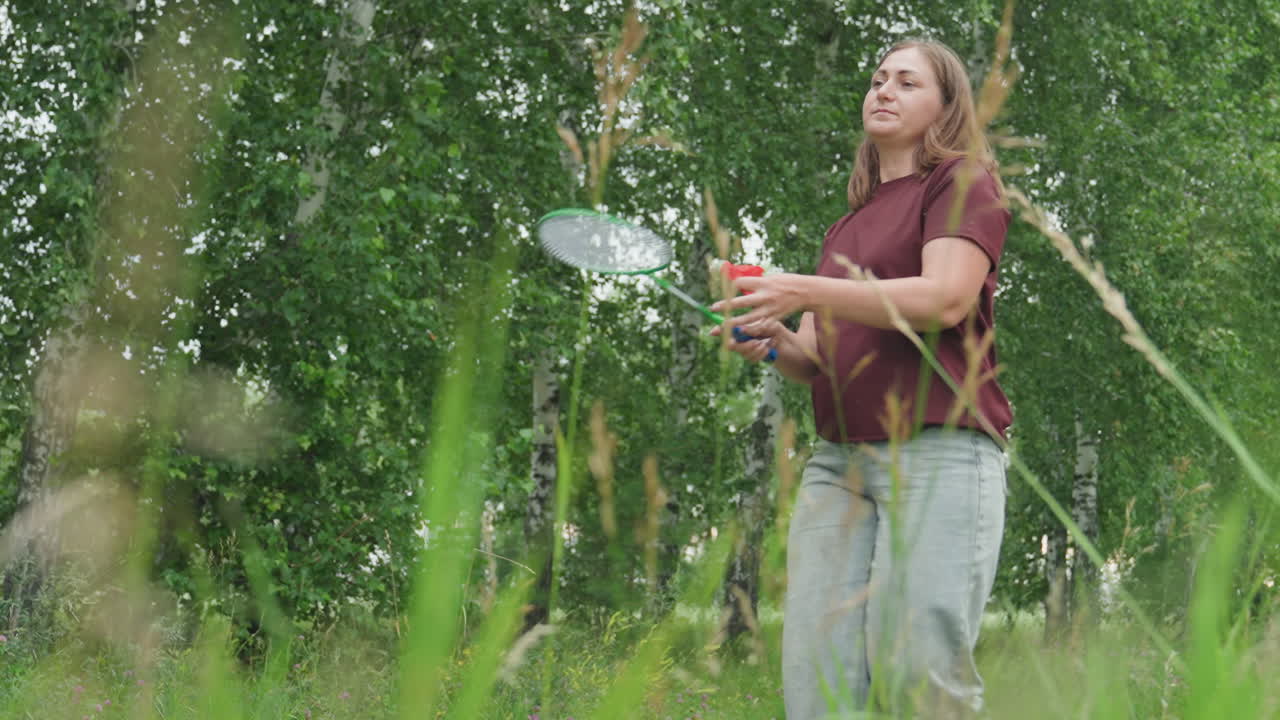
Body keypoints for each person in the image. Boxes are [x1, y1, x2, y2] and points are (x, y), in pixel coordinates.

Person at [710, 39, 1012, 718]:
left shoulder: (961, 181)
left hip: (939, 450)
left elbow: (944, 298)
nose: (883, 90)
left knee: (920, 674)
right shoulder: (845, 227)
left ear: (945, 106)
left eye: (907, 82)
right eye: (878, 79)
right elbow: (815, 356)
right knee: (818, 678)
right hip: (839, 461)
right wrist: (771, 342)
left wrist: (805, 287)